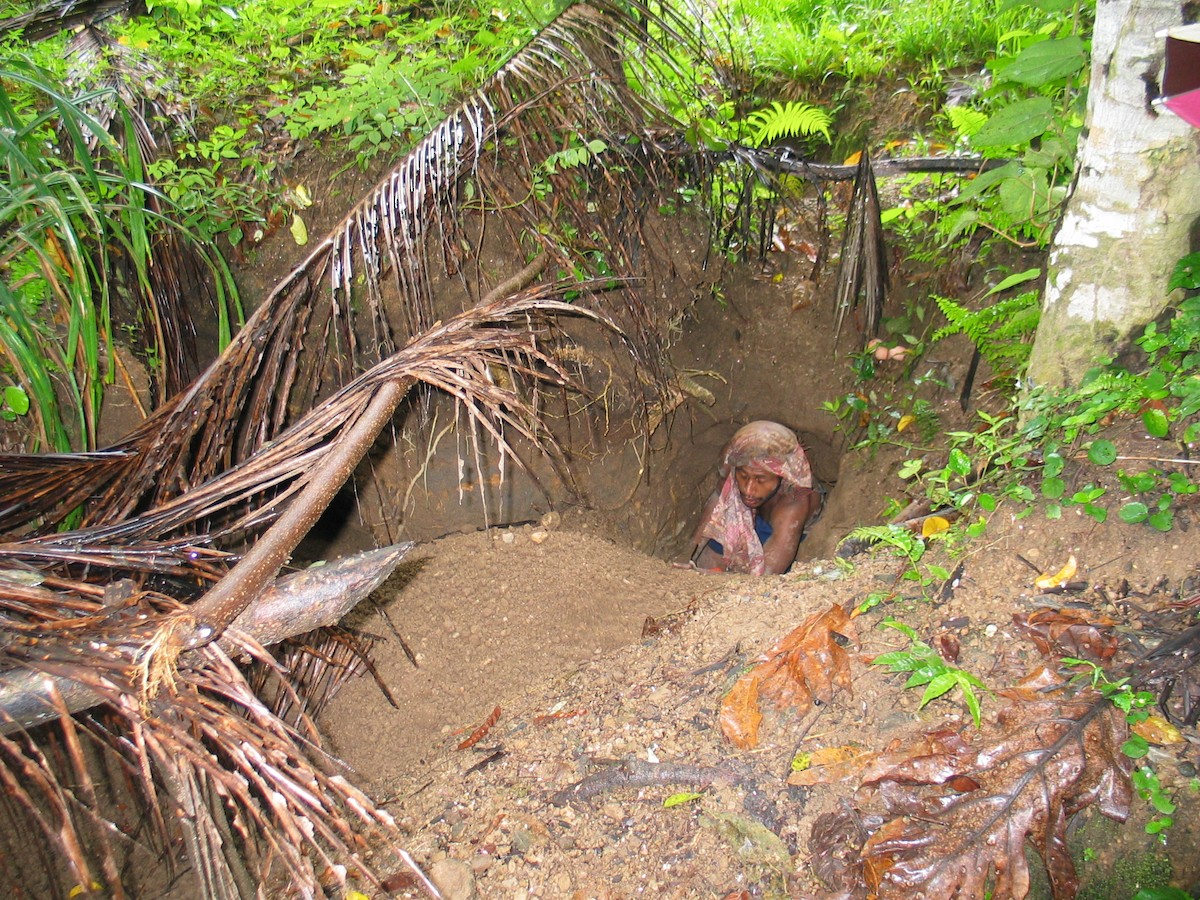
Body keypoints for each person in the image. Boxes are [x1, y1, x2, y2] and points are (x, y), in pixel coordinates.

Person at [679, 421, 821, 575]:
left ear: (782, 476)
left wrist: (702, 573)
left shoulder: (795, 499)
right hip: (748, 517)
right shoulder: (733, 471)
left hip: (781, 529)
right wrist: (687, 557)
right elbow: (715, 507)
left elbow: (764, 574)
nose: (748, 489)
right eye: (743, 475)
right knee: (711, 554)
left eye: (760, 480)